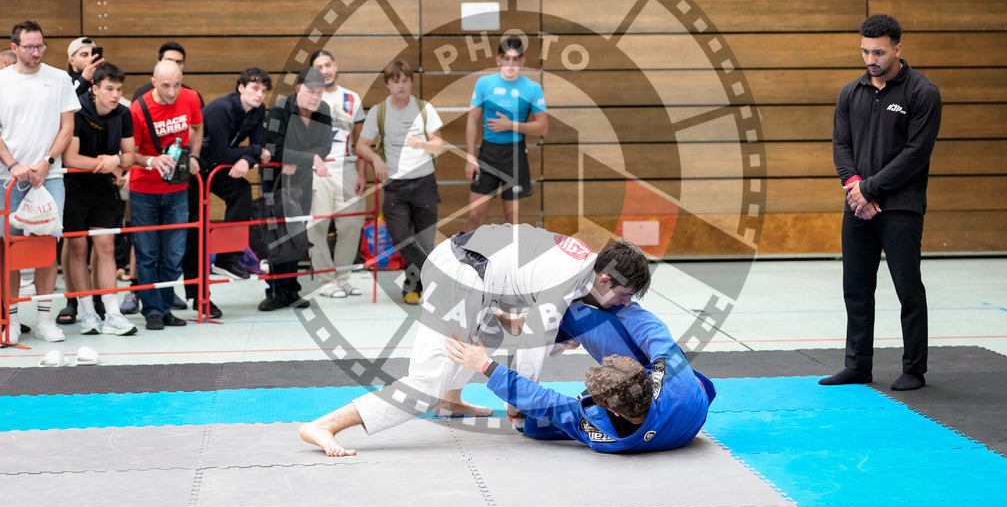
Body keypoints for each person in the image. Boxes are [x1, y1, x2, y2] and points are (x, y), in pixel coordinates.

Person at [298, 224, 651, 457]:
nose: (625, 304)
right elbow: (531, 353)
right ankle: (323, 426)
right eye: (623, 295)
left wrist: (546, 339)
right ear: (604, 280)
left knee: (492, 333)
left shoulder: (585, 265)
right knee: (426, 384)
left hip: (473, 270)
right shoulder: (566, 282)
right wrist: (521, 409)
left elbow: (526, 296)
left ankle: (450, 400)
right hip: (459, 275)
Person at [821, 14, 942, 392]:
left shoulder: (922, 92)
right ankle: (857, 365)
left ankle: (913, 369)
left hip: (901, 206)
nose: (870, 59)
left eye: (878, 52)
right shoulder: (850, 93)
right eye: (865, 51)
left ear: (898, 49)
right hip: (857, 206)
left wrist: (870, 190)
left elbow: (915, 154)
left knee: (908, 287)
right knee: (855, 287)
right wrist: (856, 188)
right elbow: (841, 145)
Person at [446, 301, 716, 453]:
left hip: (681, 413)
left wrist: (485, 366)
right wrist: (616, 300)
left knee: (531, 425)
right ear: (646, 376)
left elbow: (547, 403)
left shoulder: (599, 427)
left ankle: (551, 333)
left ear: (615, 413)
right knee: (540, 419)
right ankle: (549, 334)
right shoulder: (676, 379)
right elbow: (652, 328)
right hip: (686, 410)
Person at [0, 21, 80, 345]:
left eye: (41, 46)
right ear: (15, 47)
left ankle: (45, 318)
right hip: (8, 178)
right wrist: (13, 164)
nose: (37, 53)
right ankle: (13, 319)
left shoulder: (59, 79)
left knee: (47, 247)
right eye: (30, 47)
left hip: (50, 178)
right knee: (9, 251)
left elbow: (67, 127)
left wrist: (47, 163)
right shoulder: (2, 81)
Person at [183, 67, 273, 318]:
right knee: (195, 234)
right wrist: (250, 156)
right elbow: (225, 152)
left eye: (264, 91)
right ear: (241, 87)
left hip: (219, 171)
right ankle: (198, 297)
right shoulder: (221, 109)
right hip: (196, 173)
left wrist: (248, 157)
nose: (260, 95)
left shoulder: (257, 111)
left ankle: (226, 258)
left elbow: (259, 145)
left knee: (242, 192)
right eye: (255, 88)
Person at [355, 59, 443, 305]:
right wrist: (375, 160)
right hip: (395, 185)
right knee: (401, 238)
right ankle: (441, 278)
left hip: (424, 182)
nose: (401, 85)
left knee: (424, 241)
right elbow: (362, 145)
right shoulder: (378, 112)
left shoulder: (424, 108)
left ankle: (412, 287)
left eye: (405, 80)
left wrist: (423, 144)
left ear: (411, 82)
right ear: (387, 84)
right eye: (395, 81)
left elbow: (439, 143)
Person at [125, 41, 201, 315]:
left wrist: (194, 155)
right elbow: (127, 153)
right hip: (144, 190)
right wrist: (150, 160)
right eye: (165, 86)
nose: (171, 92)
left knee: (173, 254)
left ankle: (166, 308)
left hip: (177, 189)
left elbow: (197, 125)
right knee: (146, 254)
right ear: (153, 82)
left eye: (177, 85)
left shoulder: (190, 98)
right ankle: (152, 311)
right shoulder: (137, 109)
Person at [62, 63, 137, 336]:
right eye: (109, 89)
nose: (115, 94)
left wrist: (116, 160)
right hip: (73, 187)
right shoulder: (77, 112)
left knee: (106, 246)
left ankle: (112, 313)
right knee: (78, 248)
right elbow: (71, 158)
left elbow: (129, 154)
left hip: (103, 187)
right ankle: (88, 313)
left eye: (119, 89)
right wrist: (105, 163)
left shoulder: (124, 114)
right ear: (94, 89)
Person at [258, 67, 333, 311]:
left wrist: (303, 159)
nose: (315, 97)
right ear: (298, 89)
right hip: (275, 178)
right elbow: (273, 148)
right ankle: (275, 291)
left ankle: (291, 290)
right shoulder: (280, 108)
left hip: (300, 178)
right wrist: (309, 159)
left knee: (297, 234)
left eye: (320, 93)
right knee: (278, 236)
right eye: (311, 91)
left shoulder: (323, 111)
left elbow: (325, 145)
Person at [465, 36, 547, 231]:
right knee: (475, 214)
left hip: (515, 155)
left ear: (522, 61)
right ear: (498, 60)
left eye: (515, 59)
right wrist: (470, 157)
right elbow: (472, 120)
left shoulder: (532, 88)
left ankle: (510, 261)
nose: (511, 64)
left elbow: (543, 127)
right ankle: (465, 257)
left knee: (512, 218)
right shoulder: (484, 83)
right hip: (488, 153)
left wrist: (511, 125)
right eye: (506, 58)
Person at [306, 51, 367, 300]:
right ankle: (324, 281)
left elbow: (362, 141)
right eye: (319, 67)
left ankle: (342, 278)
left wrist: (362, 173)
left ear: (335, 65)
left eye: (328, 64)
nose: (325, 70)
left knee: (352, 225)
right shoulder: (307, 98)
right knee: (317, 227)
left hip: (348, 169)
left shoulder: (352, 98)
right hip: (318, 170)